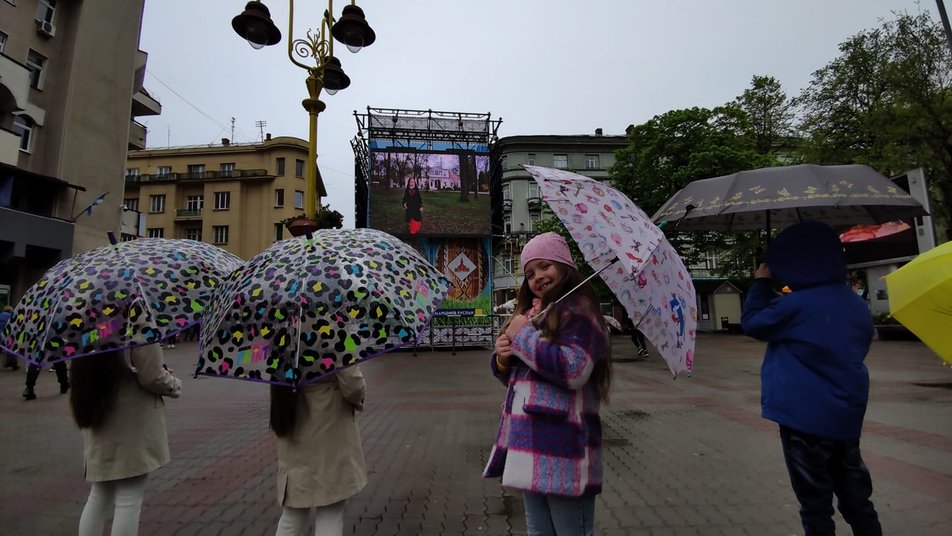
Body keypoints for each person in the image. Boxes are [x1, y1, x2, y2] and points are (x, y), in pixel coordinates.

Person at [740, 221, 882, 536]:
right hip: (845, 417)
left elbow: (752, 323)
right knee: (856, 498)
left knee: (815, 505)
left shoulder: (794, 306)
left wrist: (761, 283)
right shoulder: (856, 305)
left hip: (803, 420)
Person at [484, 232, 612, 536]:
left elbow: (573, 369)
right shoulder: (535, 313)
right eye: (530, 273)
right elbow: (522, 378)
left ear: (564, 266)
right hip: (528, 443)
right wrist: (503, 359)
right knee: (539, 531)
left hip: (565, 448)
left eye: (545, 266)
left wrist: (523, 337)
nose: (538, 277)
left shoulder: (581, 312)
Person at [70, 344, 182, 536]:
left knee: (100, 494)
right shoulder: (137, 316)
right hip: (129, 416)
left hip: (97, 407)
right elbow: (152, 376)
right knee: (128, 498)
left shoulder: (86, 317)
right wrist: (173, 383)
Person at [270, 365, 367, 536]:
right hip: (328, 424)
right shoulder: (330, 338)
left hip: (291, 420)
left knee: (294, 512)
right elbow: (353, 384)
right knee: (330, 510)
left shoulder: (279, 339)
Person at [1, 305, 18, 371]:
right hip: (9, 336)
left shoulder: (0, 315)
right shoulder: (12, 316)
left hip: (1, 335)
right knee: (12, 349)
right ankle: (14, 365)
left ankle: (8, 363)